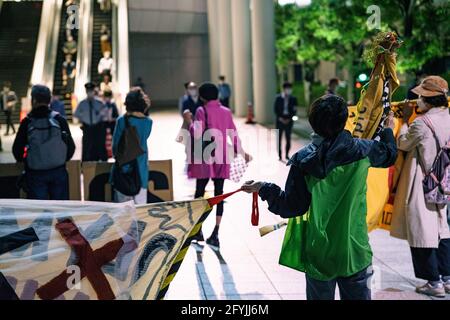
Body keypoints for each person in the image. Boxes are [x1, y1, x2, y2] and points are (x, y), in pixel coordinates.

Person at [242, 95, 397, 300]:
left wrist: (263, 188)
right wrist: (388, 129)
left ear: (313, 123)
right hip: (355, 249)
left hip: (319, 251)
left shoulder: (303, 161)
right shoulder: (363, 150)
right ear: (344, 121)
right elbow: (389, 155)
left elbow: (292, 207)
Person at [390, 76, 450, 298]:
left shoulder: (422, 123)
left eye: (420, 97)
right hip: (444, 183)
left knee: (421, 231)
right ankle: (446, 278)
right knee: (442, 230)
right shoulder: (448, 118)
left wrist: (404, 121)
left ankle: (433, 282)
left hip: (422, 182)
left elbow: (403, 143)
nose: (416, 101)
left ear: (429, 99)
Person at [184, 82, 251, 249]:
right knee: (219, 194)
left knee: (200, 194)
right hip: (222, 157)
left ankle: (197, 231)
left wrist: (189, 121)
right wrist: (242, 152)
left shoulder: (201, 110)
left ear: (202, 97)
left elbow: (197, 133)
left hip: (206, 158)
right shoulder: (226, 112)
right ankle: (216, 233)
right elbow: (233, 134)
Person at [12, 85, 75, 200]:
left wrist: (27, 161)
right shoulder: (59, 119)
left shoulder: (27, 122)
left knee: (39, 212)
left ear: (33, 100)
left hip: (36, 174)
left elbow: (16, 150)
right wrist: (60, 159)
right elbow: (71, 148)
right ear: (49, 100)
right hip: (58, 172)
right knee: (61, 211)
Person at [111, 87, 152, 204]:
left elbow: (115, 148)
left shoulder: (121, 121)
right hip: (141, 172)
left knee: (123, 213)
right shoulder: (148, 122)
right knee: (140, 211)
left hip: (123, 172)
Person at [74, 82, 108, 161]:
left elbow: (105, 112)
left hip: (98, 127)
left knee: (99, 146)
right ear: (86, 91)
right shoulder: (82, 103)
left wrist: (100, 116)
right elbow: (76, 115)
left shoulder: (99, 102)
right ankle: (85, 165)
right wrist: (83, 119)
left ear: (94, 91)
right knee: (87, 147)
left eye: (91, 91)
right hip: (87, 127)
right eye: (88, 91)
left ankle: (101, 163)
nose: (90, 93)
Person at [274, 82, 298, 161]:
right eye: (287, 88)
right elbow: (275, 110)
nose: (289, 90)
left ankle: (287, 154)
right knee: (279, 139)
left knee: (288, 138)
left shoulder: (293, 99)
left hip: (289, 120)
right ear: (284, 89)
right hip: (280, 120)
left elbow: (294, 110)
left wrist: (289, 119)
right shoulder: (278, 98)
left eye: (290, 89)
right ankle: (280, 155)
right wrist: (280, 118)